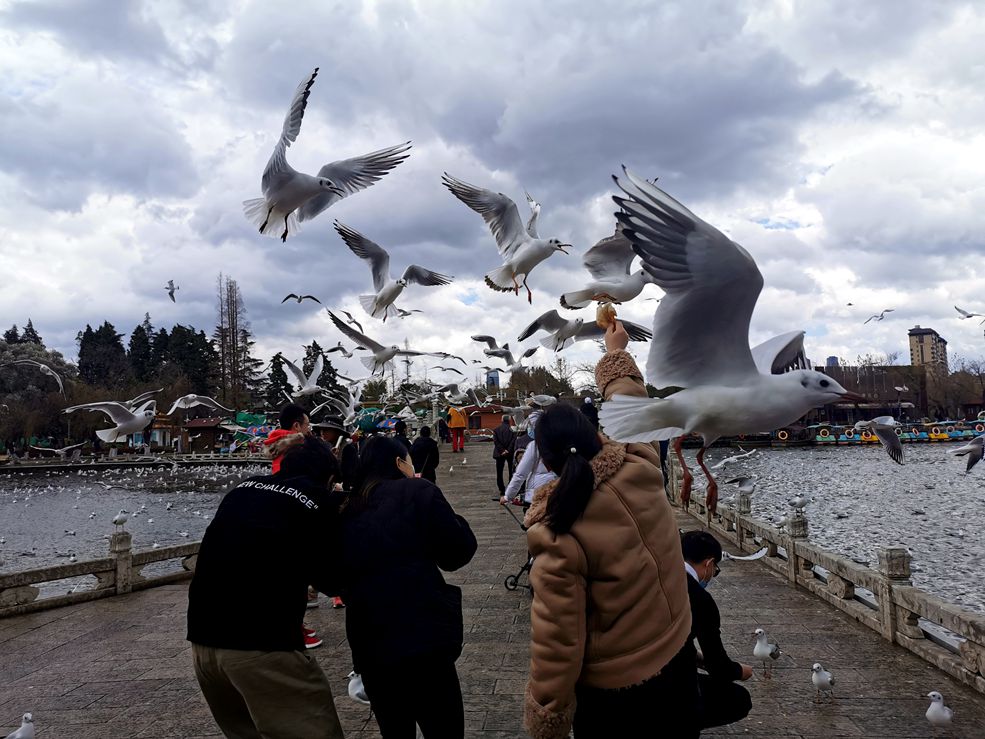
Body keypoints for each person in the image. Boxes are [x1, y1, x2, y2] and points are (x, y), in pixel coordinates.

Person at [523, 321, 695, 739]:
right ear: (597, 435)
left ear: (545, 463)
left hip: (620, 691)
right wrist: (613, 351)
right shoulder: (641, 465)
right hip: (678, 653)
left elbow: (557, 643)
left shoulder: (558, 534)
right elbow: (631, 404)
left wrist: (548, 717)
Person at [187, 436, 345, 739]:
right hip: (259, 645)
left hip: (203, 644)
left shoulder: (242, 489)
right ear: (327, 477)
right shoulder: (315, 500)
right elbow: (332, 579)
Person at [336, 436, 477, 738]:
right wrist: (455, 520)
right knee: (444, 727)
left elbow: (336, 577)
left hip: (371, 645)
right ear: (400, 463)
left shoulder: (347, 506)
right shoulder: (418, 490)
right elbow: (457, 553)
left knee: (395, 730)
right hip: (423, 639)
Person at [676, 530, 753, 732]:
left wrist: (695, 657)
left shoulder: (651, 578)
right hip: (665, 688)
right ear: (709, 564)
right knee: (739, 699)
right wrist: (741, 671)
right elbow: (718, 666)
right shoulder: (700, 599)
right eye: (715, 570)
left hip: (618, 677)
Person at [501, 400, 555, 508]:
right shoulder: (561, 442)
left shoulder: (534, 446)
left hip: (537, 492)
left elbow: (520, 474)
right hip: (558, 491)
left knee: (535, 522)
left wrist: (508, 496)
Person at [263, 403, 310, 474]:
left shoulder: (275, 448)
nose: (309, 430)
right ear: (296, 426)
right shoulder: (300, 451)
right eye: (307, 425)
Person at [492, 414, 516, 497]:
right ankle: (510, 488)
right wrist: (508, 450)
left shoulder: (496, 430)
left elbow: (496, 441)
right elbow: (514, 441)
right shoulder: (513, 430)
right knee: (511, 471)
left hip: (499, 453)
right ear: (509, 420)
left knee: (499, 472)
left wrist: (502, 450)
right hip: (510, 453)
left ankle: (502, 489)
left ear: (502, 420)